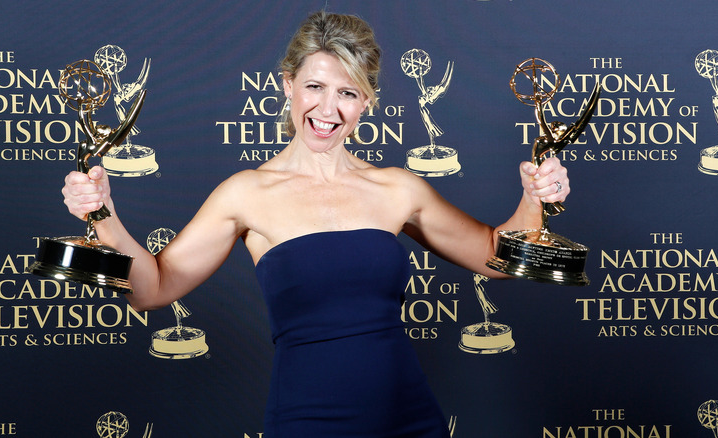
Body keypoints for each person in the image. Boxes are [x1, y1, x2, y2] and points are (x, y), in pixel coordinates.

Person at [62, 11, 570, 438]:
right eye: (314, 86)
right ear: (287, 86)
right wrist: (103, 214)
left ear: (367, 101)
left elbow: (497, 257)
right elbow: (153, 289)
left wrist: (534, 199)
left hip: (409, 418)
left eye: (348, 93)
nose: (328, 109)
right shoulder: (246, 193)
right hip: (307, 420)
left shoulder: (398, 188)